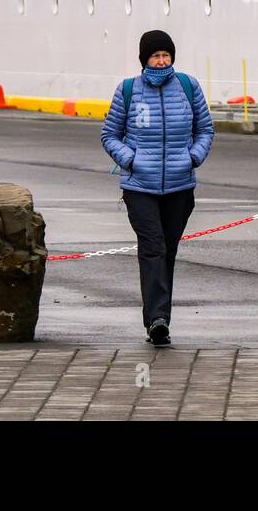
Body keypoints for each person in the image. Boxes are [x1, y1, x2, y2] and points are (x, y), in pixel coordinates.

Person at [100, 30, 213, 347]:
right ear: (144, 60)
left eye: (166, 55)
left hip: (180, 186)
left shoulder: (188, 87)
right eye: (155, 56)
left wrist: (194, 157)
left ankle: (156, 318)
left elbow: (205, 129)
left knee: (168, 251)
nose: (161, 61)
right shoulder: (128, 91)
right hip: (140, 187)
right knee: (153, 248)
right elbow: (110, 135)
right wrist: (131, 160)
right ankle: (158, 319)